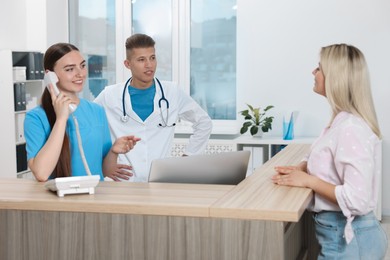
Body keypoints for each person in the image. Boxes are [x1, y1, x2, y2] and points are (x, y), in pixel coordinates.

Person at [271, 44, 387, 259]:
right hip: (339, 234)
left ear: (335, 77)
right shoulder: (340, 122)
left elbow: (357, 200)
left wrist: (308, 181)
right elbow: (327, 156)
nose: (313, 73)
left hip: (351, 241)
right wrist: (301, 168)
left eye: (319, 68)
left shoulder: (350, 129)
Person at [95, 33, 212, 182]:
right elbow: (88, 125)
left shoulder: (172, 92)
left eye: (152, 58)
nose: (149, 65)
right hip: (123, 182)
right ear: (128, 64)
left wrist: (188, 157)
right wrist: (105, 162)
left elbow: (204, 123)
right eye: (141, 60)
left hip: (161, 181)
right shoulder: (110, 95)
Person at [24, 43, 140, 182]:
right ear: (51, 76)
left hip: (93, 198)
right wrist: (61, 119)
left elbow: (103, 171)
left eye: (82, 66)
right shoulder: (36, 117)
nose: (80, 73)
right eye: (70, 69)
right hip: (57, 200)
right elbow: (41, 173)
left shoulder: (96, 111)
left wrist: (114, 151)